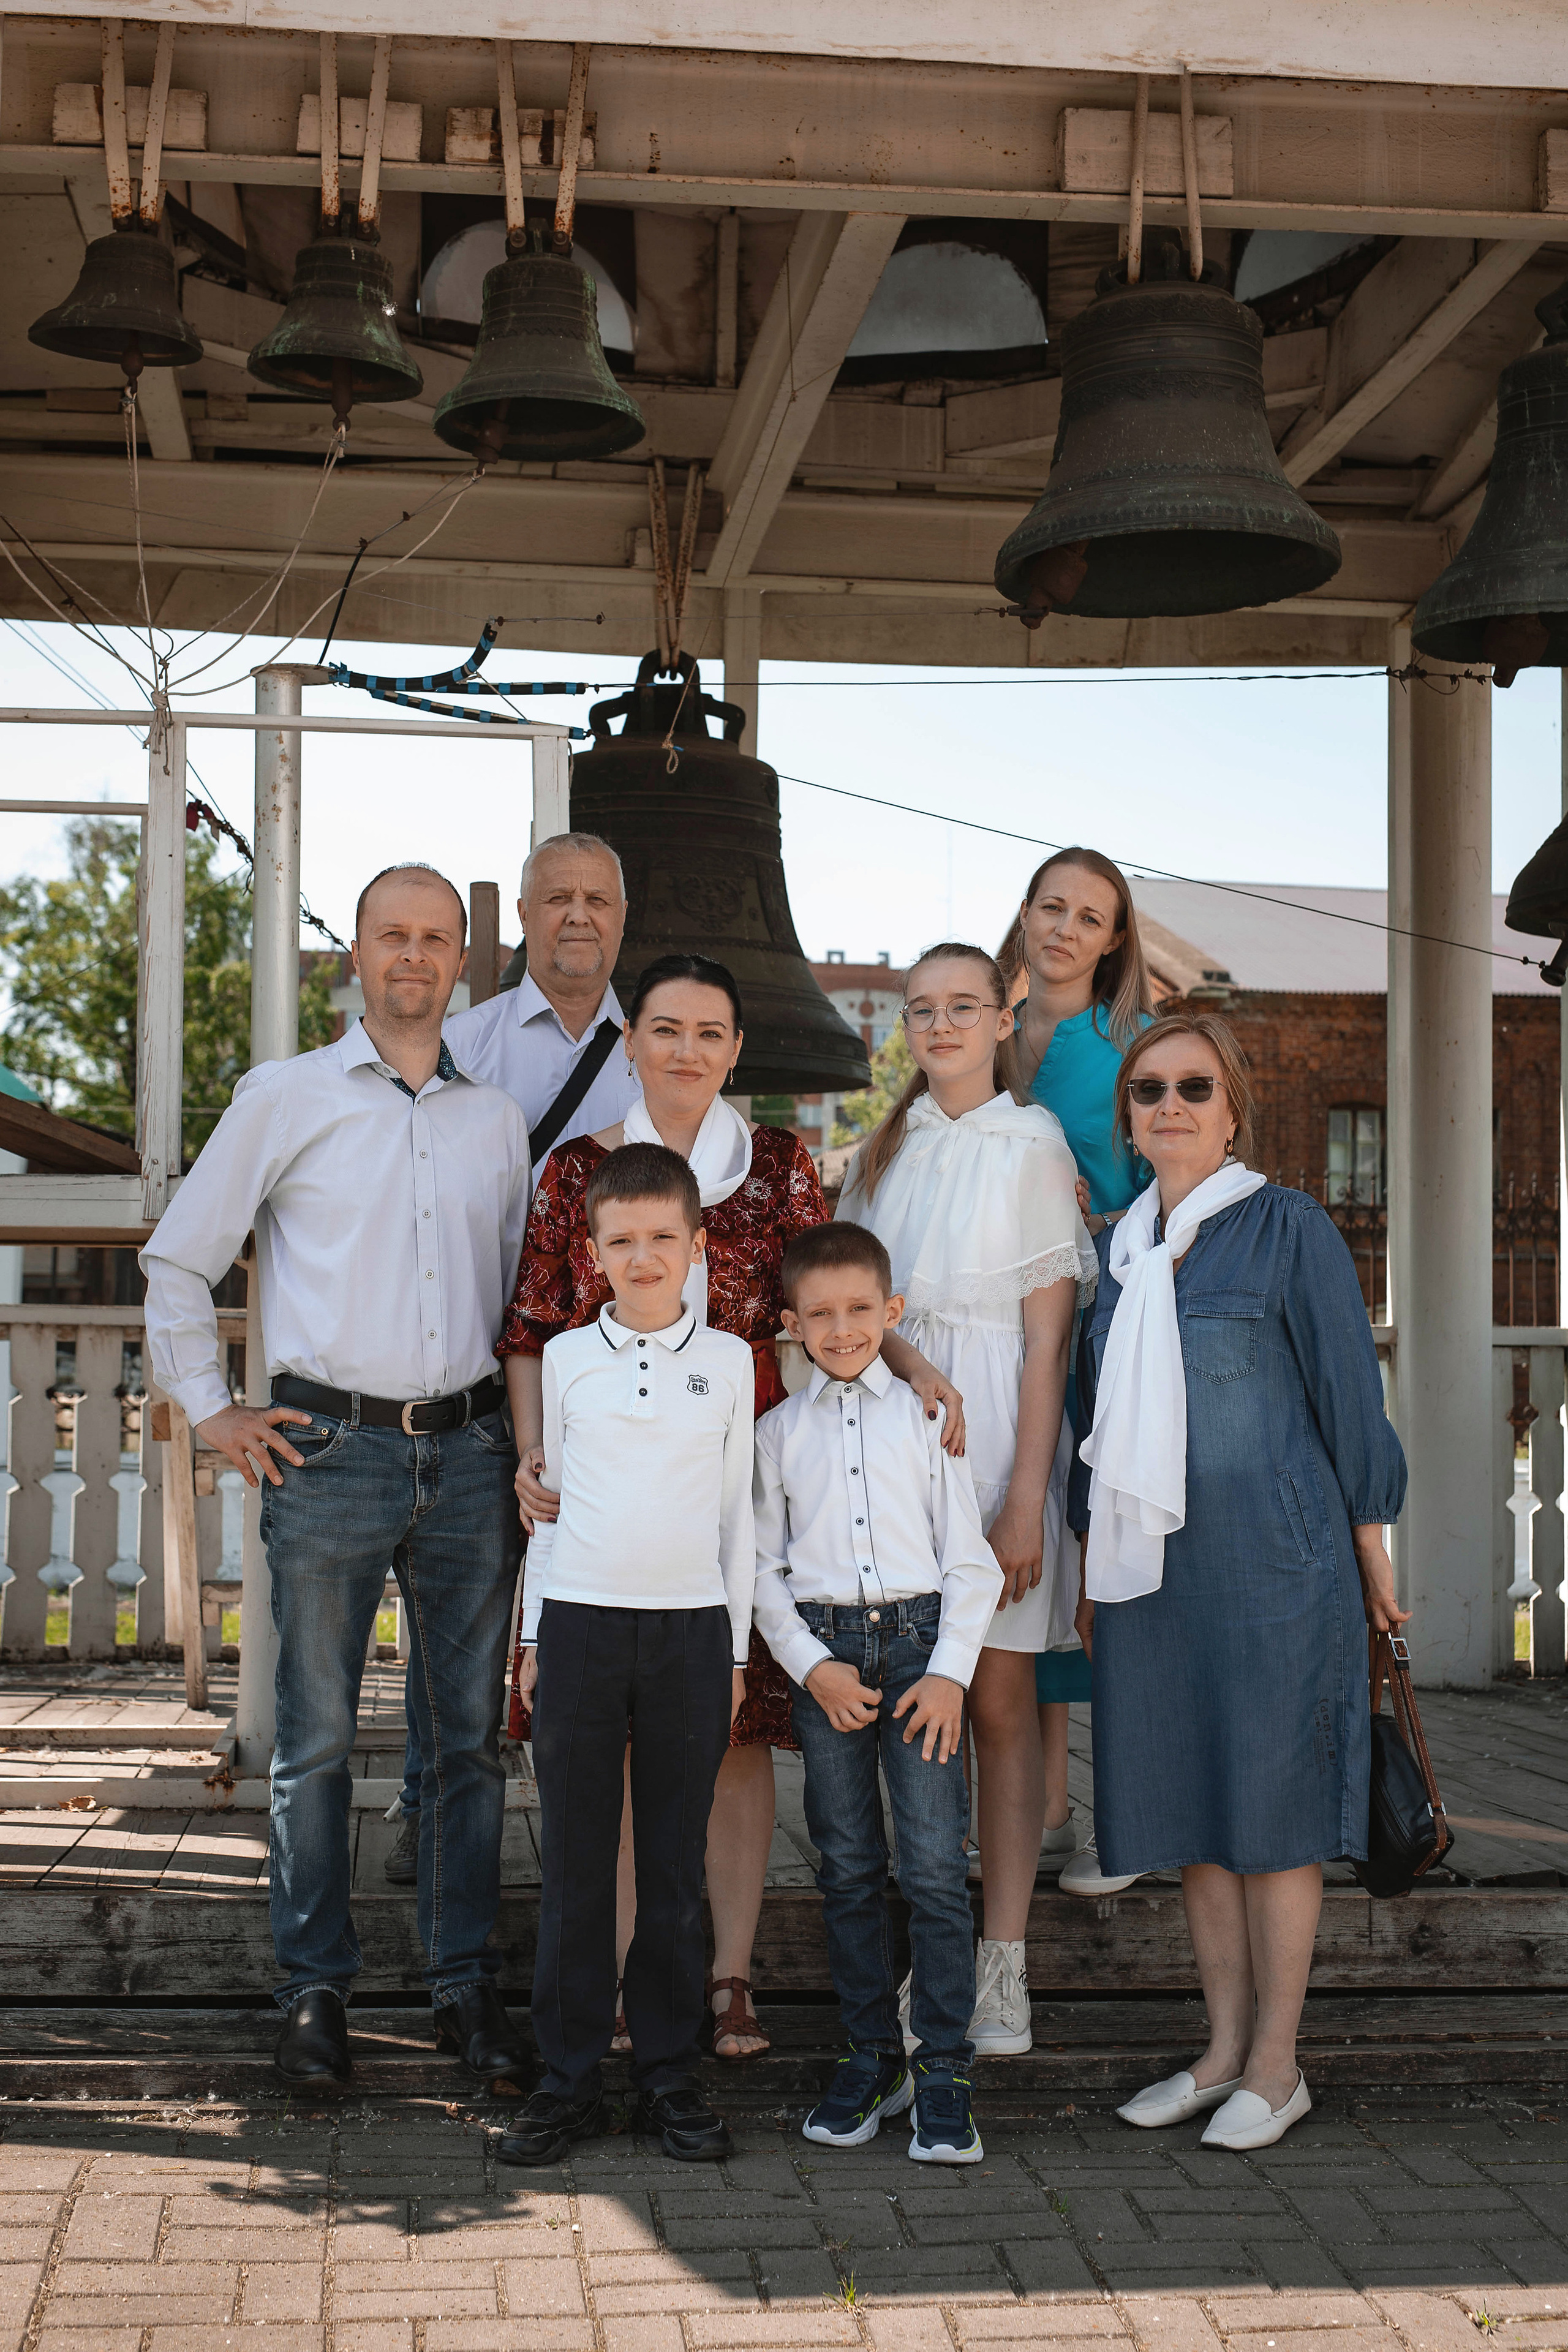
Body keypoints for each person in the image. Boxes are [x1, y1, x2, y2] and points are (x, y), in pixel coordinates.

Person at [501, 951, 964, 2061]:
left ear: (737, 1050)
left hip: (744, 1463)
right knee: (615, 1753)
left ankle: (728, 1978)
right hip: (609, 1482)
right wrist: (533, 1454)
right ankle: (616, 1984)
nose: (688, 1050)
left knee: (736, 1735)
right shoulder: (577, 1174)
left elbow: (828, 1288)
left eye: (711, 1032)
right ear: (631, 1042)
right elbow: (530, 1330)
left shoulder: (779, 1164)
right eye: (666, 1029)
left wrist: (906, 1363)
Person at [141, 864, 533, 2090]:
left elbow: (517, 1297)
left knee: (464, 1742)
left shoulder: (493, 1121)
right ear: (353, 956)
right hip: (327, 1452)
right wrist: (212, 1411)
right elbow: (178, 1261)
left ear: (461, 962)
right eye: (390, 935)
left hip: (470, 1455)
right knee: (312, 1743)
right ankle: (314, 1995)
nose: (413, 955)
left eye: (436, 938)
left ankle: (461, 1990)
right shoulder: (286, 1096)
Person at [1070, 1006, 1408, 2152]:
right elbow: (1093, 1421)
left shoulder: (1288, 1228)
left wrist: (1372, 1552)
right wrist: (1086, 1559)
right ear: (1129, 1114)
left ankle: (1279, 2063)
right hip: (1154, 1576)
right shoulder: (1118, 1251)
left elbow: (1349, 1396)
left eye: (1194, 1089)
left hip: (1278, 1565)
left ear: (1234, 1110)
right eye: (1150, 1089)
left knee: (1272, 1818)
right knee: (1194, 1818)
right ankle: (1219, 2053)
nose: (1170, 1106)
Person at [839, 943, 1093, 2058]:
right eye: (920, 1010)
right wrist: (900, 1356)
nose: (939, 1025)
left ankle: (1002, 1968)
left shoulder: (1033, 1144)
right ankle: (931, 1959)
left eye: (961, 1008)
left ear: (1003, 1018)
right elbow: (851, 1307)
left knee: (997, 1698)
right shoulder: (884, 1153)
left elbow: (1046, 1345)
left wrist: (1025, 1501)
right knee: (918, 1698)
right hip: (901, 1440)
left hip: (999, 1446)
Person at [382, 832, 639, 1893]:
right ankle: (428, 1803)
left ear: (623, 918)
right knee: (465, 1610)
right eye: (557, 898)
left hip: (626, 1380)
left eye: (599, 900)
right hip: (491, 1373)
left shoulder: (662, 1041)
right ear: (523, 917)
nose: (578, 916)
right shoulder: (468, 1040)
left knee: (613, 1601)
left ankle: (605, 1836)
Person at [500, 1142, 753, 2167]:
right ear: (593, 1249)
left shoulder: (730, 1361)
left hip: (692, 1632)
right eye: (621, 1241)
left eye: (662, 1239)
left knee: (673, 1869)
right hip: (581, 1629)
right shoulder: (566, 1360)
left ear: (697, 1245)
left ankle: (668, 2077)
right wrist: (529, 1637)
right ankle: (565, 2081)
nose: (642, 1258)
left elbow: (740, 1520)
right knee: (573, 1863)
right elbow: (549, 1516)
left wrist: (734, 1651)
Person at [754, 1222, 1003, 2163]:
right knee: (848, 1863)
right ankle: (871, 2055)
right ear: (792, 1324)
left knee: (935, 1867)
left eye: (862, 1310)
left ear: (892, 1314)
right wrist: (810, 1666)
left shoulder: (925, 1418)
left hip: (920, 1650)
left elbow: (970, 1564)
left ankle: (942, 2064)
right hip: (829, 1660)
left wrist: (948, 1677)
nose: (844, 1328)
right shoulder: (778, 1435)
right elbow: (760, 1571)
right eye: (820, 1313)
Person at [998, 849, 1156, 1898]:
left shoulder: (1134, 1047)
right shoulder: (982, 1022)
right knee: (1037, 1559)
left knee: (1115, 1562)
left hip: (1106, 1318)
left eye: (1088, 916)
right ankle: (1043, 1806)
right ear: (1025, 914)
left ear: (1112, 941)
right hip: (1001, 1328)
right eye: (1051, 905)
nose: (1064, 928)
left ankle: (1129, 1824)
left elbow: (1162, 1181)